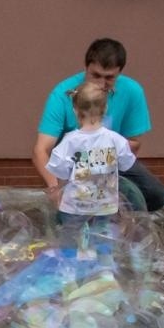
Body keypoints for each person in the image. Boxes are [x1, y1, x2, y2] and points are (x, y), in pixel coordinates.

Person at [33, 38, 164, 212]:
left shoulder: (133, 91)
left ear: (119, 73)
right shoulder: (62, 93)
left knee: (155, 194)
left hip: (110, 159)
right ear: (85, 67)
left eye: (109, 78)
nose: (101, 84)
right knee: (68, 211)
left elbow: (134, 142)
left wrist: (106, 160)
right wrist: (55, 189)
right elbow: (40, 150)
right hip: (73, 162)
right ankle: (87, 207)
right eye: (95, 75)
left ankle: (113, 210)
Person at [46, 80, 136, 224]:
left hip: (74, 206)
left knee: (70, 240)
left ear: (75, 110)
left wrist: (60, 192)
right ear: (105, 108)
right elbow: (126, 163)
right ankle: (102, 247)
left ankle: (71, 247)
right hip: (105, 205)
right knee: (102, 240)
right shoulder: (115, 140)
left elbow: (60, 171)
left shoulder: (70, 141)